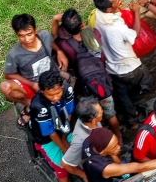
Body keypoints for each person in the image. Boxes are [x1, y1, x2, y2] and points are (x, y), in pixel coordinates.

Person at [52, 8, 122, 141]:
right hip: (103, 81)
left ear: (66, 31)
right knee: (111, 114)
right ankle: (118, 137)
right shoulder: (94, 33)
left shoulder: (65, 44)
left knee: (93, 116)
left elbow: (54, 36)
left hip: (86, 86)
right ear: (82, 24)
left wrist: (56, 19)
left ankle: (103, 142)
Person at [28, 70, 87, 182]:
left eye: (58, 93)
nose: (55, 97)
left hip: (62, 129)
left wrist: (66, 134)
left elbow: (69, 113)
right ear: (42, 91)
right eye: (50, 95)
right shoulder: (38, 106)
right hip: (47, 139)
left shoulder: (67, 90)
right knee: (62, 167)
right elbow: (50, 133)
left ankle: (85, 173)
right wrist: (65, 148)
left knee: (84, 146)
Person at [93, 0, 149, 130]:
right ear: (108, 9)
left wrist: (118, 9)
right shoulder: (117, 26)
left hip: (113, 69)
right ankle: (136, 103)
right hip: (130, 68)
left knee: (123, 95)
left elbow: (114, 16)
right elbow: (134, 35)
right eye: (115, 1)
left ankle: (132, 121)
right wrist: (136, 12)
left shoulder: (97, 15)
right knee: (147, 81)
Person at [0, 14, 64, 117]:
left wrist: (59, 51)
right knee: (5, 87)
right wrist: (32, 84)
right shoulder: (14, 54)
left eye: (29, 34)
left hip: (52, 80)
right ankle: (30, 104)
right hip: (33, 85)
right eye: (21, 35)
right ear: (17, 35)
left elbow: (53, 43)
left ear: (35, 30)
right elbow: (8, 75)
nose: (27, 39)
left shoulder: (44, 35)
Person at [62, 97, 104, 181]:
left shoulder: (86, 117)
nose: (102, 111)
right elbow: (65, 164)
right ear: (93, 119)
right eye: (100, 112)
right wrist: (83, 175)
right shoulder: (80, 141)